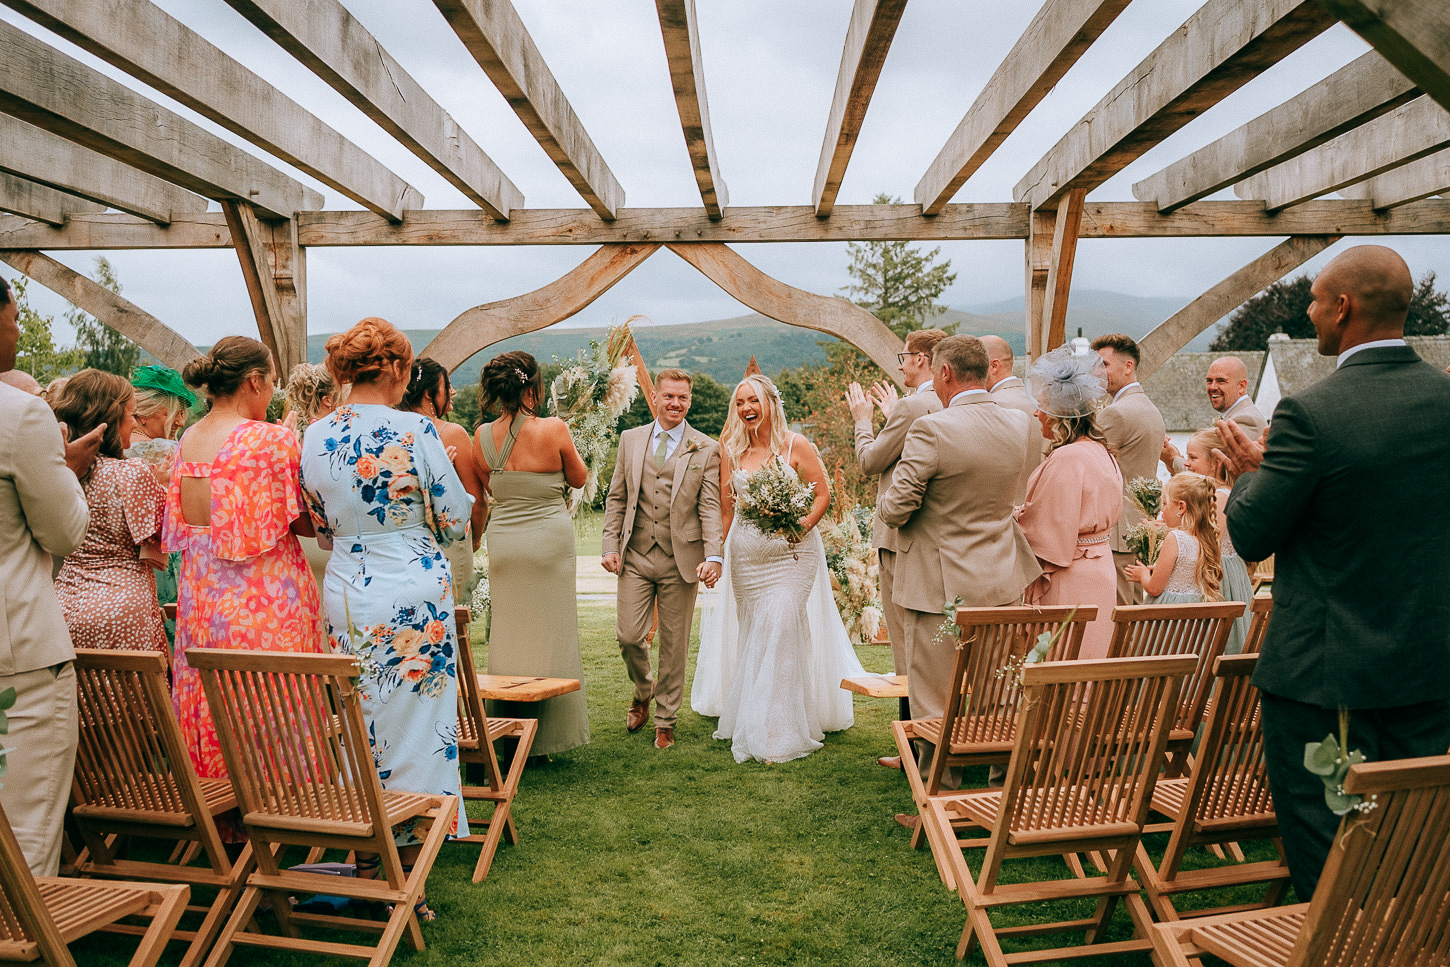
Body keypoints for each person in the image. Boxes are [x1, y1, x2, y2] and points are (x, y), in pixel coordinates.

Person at [1216, 244, 1450, 901]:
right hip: (1431, 670)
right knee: (1418, 854)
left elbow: (1254, 532)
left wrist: (1250, 476)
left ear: (1344, 306)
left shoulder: (1312, 413)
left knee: (1334, 866)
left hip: (1326, 679)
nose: (1311, 311)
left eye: (1316, 299)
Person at [301, 319, 473, 911]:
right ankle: (407, 876)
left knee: (362, 720)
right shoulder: (416, 428)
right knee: (419, 729)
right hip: (413, 596)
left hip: (348, 591)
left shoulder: (313, 436)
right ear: (398, 369)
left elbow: (323, 530)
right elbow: (454, 520)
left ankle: (371, 857)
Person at [878, 335, 1041, 810]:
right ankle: (997, 795)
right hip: (1001, 577)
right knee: (997, 693)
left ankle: (941, 802)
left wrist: (900, 503)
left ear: (945, 373)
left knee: (935, 699)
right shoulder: (1018, 424)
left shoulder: (933, 429)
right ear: (987, 371)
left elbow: (895, 509)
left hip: (940, 587)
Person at [167, 336, 326, 788]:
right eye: (272, 382)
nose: (274, 392)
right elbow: (307, 525)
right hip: (266, 604)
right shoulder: (269, 440)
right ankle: (281, 806)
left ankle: (224, 805)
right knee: (274, 705)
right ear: (253, 382)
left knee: (215, 704)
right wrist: (289, 446)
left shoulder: (188, 438)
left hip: (202, 603)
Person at [693, 373, 865, 764]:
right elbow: (726, 511)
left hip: (793, 557)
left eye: (752, 401)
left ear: (770, 403)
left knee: (783, 626)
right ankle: (758, 716)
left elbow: (823, 494)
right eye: (739, 403)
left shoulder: (795, 446)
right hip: (748, 561)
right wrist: (716, 556)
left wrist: (800, 526)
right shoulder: (731, 449)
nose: (746, 409)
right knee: (757, 631)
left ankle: (778, 732)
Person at [0, 273, 95, 876]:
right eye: (13, 321)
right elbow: (64, 533)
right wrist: (67, 468)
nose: (15, 332)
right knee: (26, 827)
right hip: (19, 658)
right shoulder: (19, 417)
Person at [473, 351, 590, 758]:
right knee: (552, 633)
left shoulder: (482, 436)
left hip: (504, 544)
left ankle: (507, 731)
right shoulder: (554, 429)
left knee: (508, 634)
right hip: (548, 544)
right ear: (533, 387)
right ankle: (546, 737)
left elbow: (489, 487)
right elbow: (579, 478)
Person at [601, 369, 722, 750]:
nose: (675, 404)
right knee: (629, 635)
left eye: (682, 398)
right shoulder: (630, 439)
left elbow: (710, 507)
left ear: (690, 400)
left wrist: (714, 555)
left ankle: (665, 720)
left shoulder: (705, 447)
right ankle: (643, 689)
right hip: (635, 555)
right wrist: (610, 545)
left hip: (680, 559)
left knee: (674, 643)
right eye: (669, 396)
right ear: (655, 396)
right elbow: (617, 497)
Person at [845, 327, 945, 728]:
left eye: (904, 358)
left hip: (900, 536)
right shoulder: (945, 403)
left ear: (921, 359)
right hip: (938, 538)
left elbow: (869, 462)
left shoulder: (912, 407)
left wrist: (863, 421)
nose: (900, 365)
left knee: (906, 642)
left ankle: (914, 743)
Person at [1014, 347, 1122, 660]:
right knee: (1092, 653)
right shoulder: (1103, 453)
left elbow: (1047, 529)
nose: (1037, 413)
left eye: (1042, 406)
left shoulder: (1066, 458)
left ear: (1062, 415)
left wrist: (1011, 520)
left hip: (1070, 573)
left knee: (1065, 657)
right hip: (1101, 569)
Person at [52, 370, 169, 654]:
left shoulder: (57, 471)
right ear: (109, 420)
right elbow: (164, 534)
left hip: (63, 604)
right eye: (131, 415)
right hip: (123, 609)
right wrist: (163, 489)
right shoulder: (131, 473)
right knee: (137, 696)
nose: (134, 422)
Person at [400, 358, 486, 599]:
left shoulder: (394, 432)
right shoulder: (453, 433)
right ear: (429, 394)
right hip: (450, 545)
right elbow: (478, 501)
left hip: (407, 547)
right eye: (447, 386)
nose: (453, 391)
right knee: (454, 622)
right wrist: (475, 538)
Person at [1092, 333, 1167, 605]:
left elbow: (1088, 464)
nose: (1098, 373)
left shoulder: (1116, 413)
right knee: (1134, 607)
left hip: (1117, 532)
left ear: (1128, 366)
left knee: (1120, 612)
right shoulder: (1150, 408)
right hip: (1141, 526)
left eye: (1104, 365)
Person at [125, 365, 197, 644]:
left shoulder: (112, 449)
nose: (180, 421)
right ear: (148, 410)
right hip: (165, 559)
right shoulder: (169, 452)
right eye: (174, 411)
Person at [1183, 427, 1253, 654]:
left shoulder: (1221, 497)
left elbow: (1211, 542)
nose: (1186, 463)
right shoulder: (1213, 495)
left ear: (1216, 463)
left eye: (1193, 458)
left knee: (1217, 641)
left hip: (1220, 576)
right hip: (1217, 570)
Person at [285, 362, 346, 589]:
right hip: (331, 540)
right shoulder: (333, 437)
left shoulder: (295, 435)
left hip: (305, 539)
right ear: (328, 400)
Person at [1123, 472, 1223, 604]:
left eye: (1165, 503)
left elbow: (1154, 589)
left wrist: (1143, 575)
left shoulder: (1175, 538)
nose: (1162, 510)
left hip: (1170, 619)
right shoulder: (1205, 538)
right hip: (1194, 618)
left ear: (1181, 507)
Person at [1161, 355, 1267, 473]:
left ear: (1241, 386)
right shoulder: (1232, 415)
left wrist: (1173, 459)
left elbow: (1218, 475)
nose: (1212, 387)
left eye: (1221, 381)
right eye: (1209, 381)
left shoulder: (1246, 420)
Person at [981, 334, 1043, 503]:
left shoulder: (988, 407)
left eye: (976, 365)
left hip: (1003, 514)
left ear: (994, 366)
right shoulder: (1040, 403)